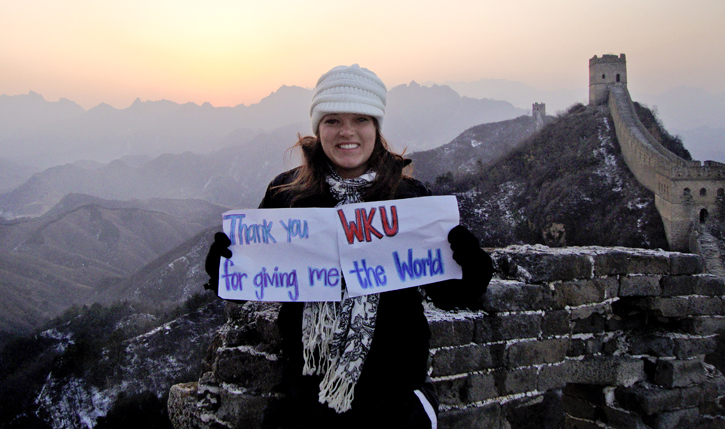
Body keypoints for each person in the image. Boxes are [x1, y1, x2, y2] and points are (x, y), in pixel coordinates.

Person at [204, 64, 494, 429]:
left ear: (376, 127)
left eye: (360, 119)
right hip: (310, 399)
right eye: (332, 120)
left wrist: (471, 267)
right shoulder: (286, 195)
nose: (347, 132)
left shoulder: (408, 199)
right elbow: (255, 278)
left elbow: (449, 294)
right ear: (318, 128)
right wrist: (224, 268)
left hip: (396, 400)